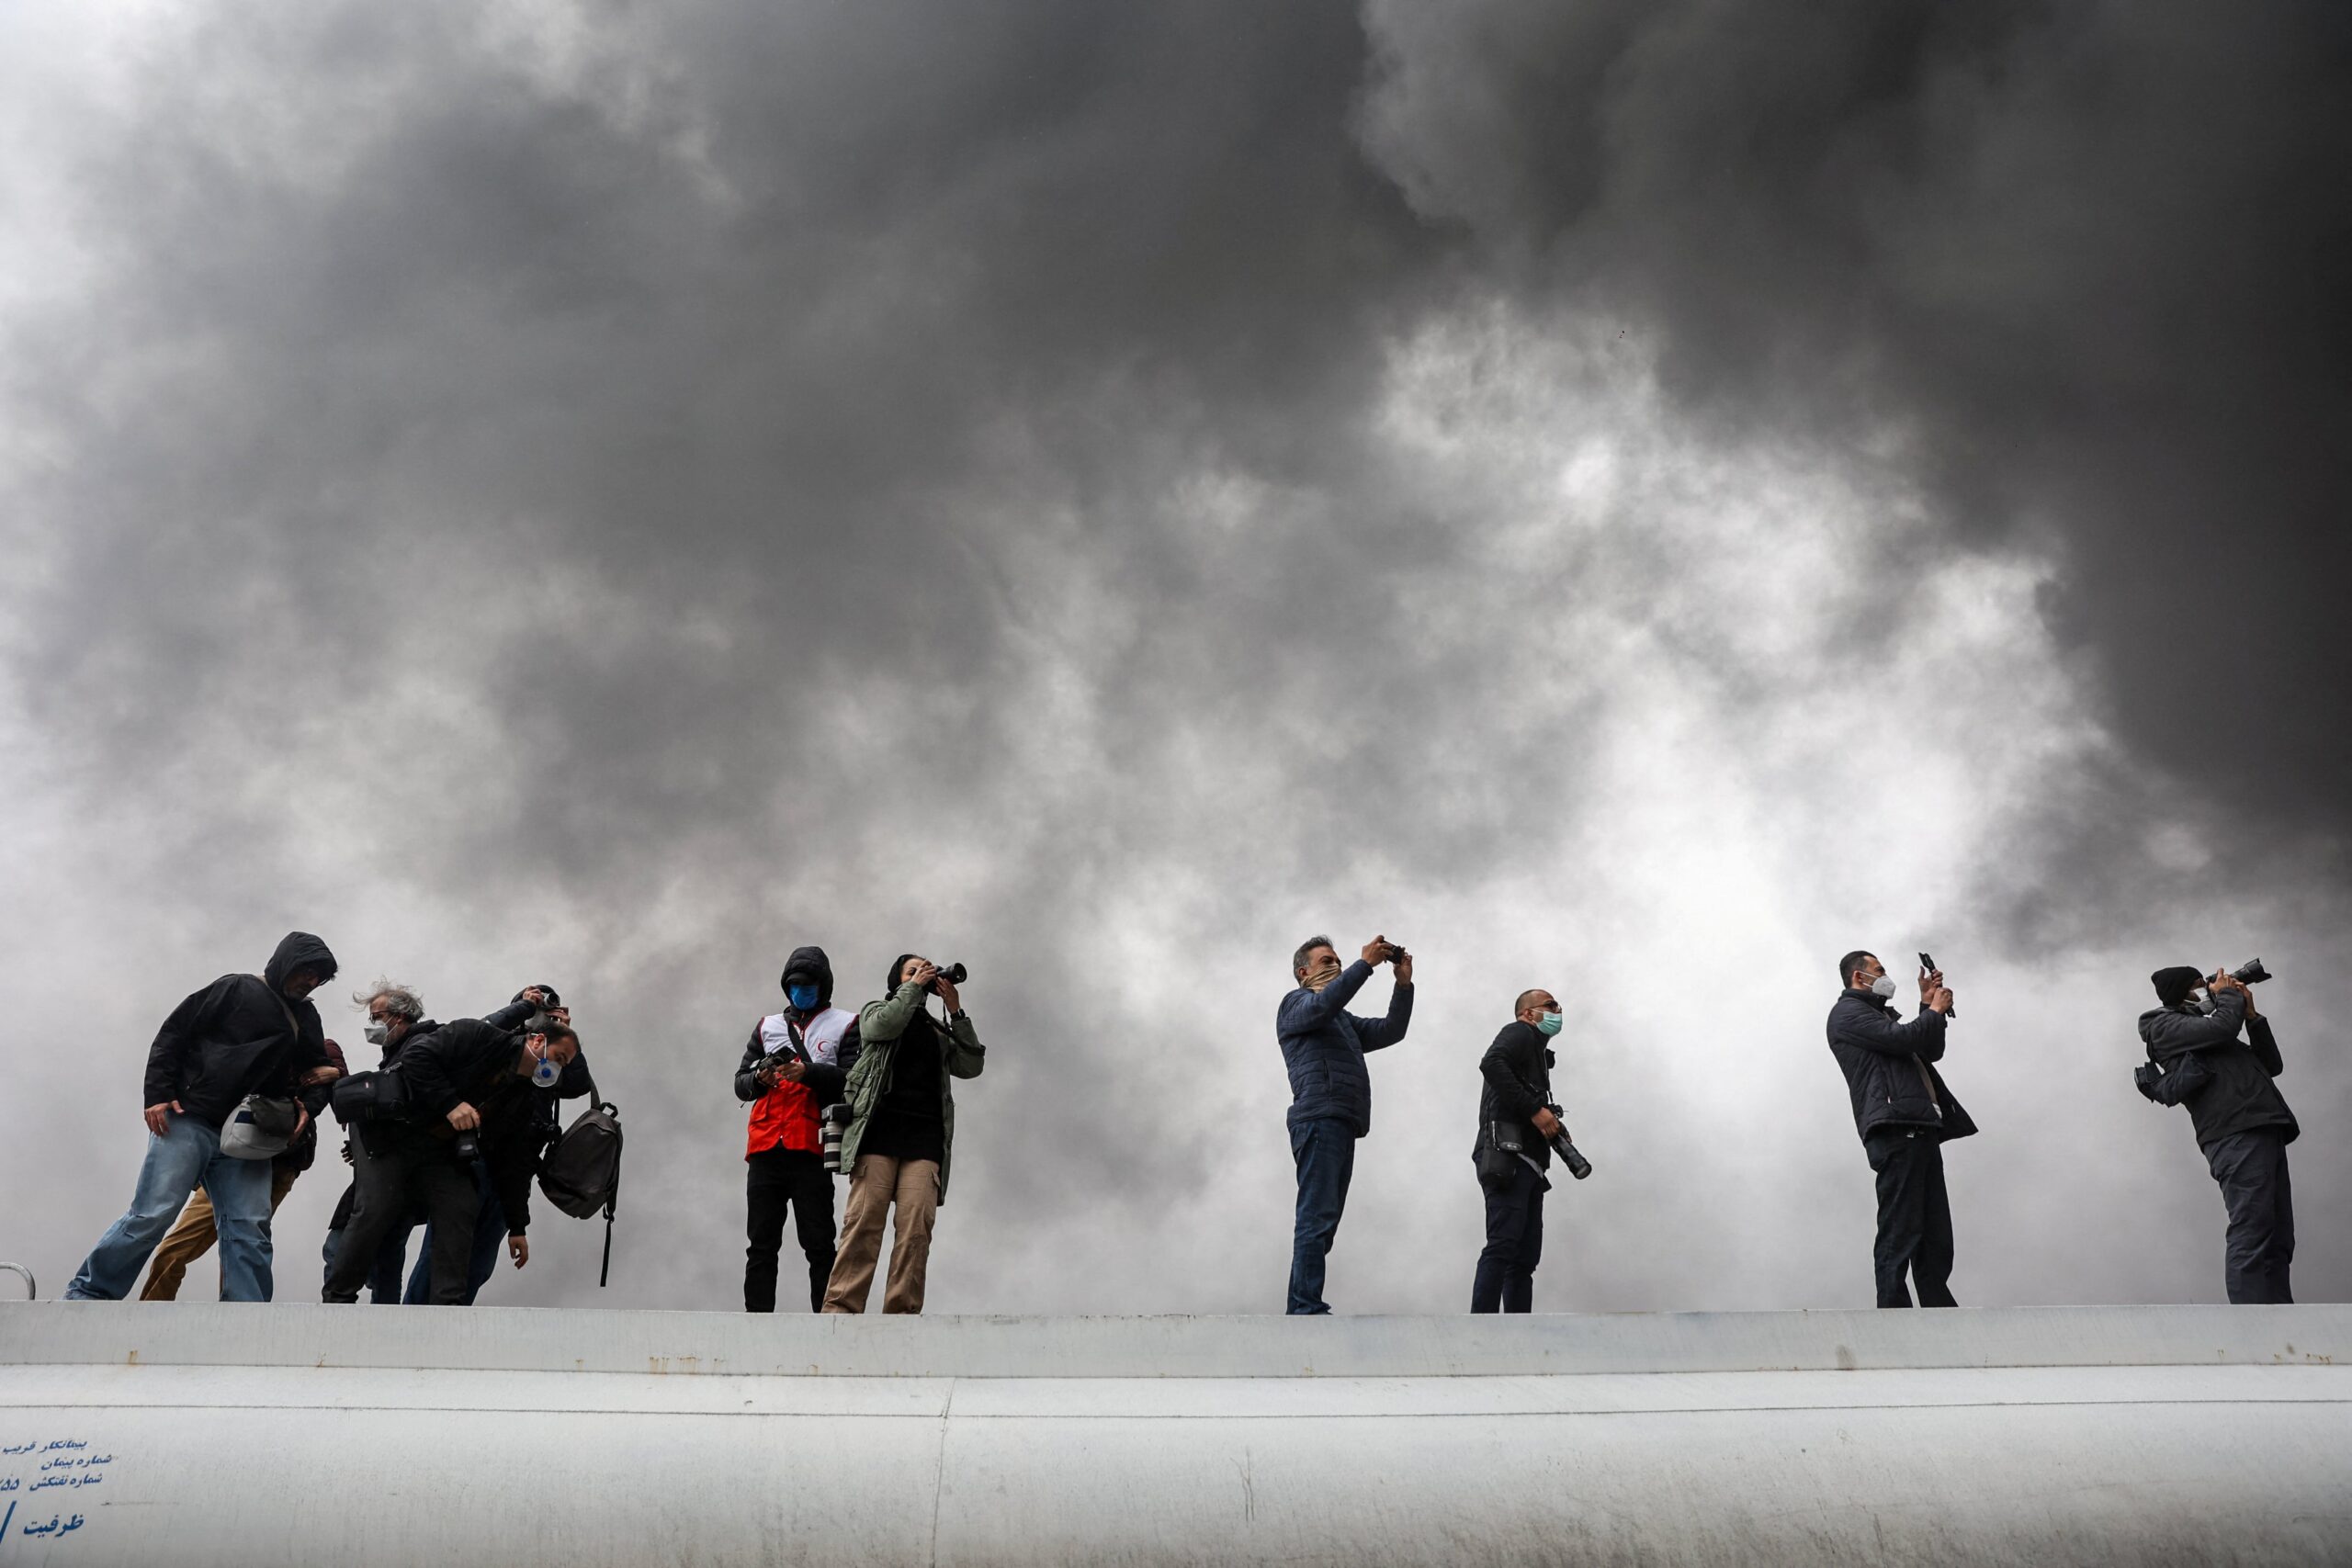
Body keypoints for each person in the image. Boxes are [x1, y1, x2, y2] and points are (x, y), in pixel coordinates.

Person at [66, 931, 343, 1303]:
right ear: (286, 962)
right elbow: (174, 1033)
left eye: (319, 977)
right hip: (189, 1120)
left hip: (250, 1134)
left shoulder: (306, 1015)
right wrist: (158, 1094)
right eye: (307, 971)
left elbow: (317, 1068)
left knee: (249, 1228)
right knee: (152, 1215)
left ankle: (246, 1317)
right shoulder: (235, 988)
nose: (311, 981)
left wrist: (310, 1105)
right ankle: (89, 1295)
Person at [322, 1015, 581, 1305]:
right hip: (389, 1133)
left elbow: (514, 1161)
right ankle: (338, 1300)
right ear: (537, 1040)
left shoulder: (523, 1097)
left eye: (563, 1065)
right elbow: (416, 1056)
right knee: (376, 1207)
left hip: (436, 1149)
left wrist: (517, 1226)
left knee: (459, 1208)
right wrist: (451, 1104)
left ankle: (447, 1309)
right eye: (558, 1057)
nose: (556, 1068)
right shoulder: (476, 1034)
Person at [821, 955, 986, 1314]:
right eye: (912, 970)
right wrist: (911, 989)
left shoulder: (936, 1028)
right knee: (864, 1223)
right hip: (878, 1135)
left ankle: (902, 1316)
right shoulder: (876, 1010)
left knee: (915, 1231)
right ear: (896, 980)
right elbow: (881, 1028)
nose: (922, 974)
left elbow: (971, 1066)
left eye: (926, 970)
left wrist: (956, 1012)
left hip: (924, 1141)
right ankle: (841, 1310)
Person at [140, 1037, 350, 1300]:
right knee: (176, 1248)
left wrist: (336, 1073)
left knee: (243, 1245)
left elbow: (343, 1091)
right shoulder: (248, 1041)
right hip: (232, 1158)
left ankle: (237, 1319)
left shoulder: (320, 1046)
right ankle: (151, 1312)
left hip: (278, 1162)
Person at [2140, 964, 2298, 1303]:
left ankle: (2282, 1321)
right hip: (2233, 1133)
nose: (2204, 990)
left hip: (2261, 1125)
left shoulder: (2206, 1031)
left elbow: (2272, 1065)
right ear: (2180, 990)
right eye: (2198, 985)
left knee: (2278, 1234)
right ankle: (2251, 1322)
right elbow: (2225, 1026)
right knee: (2252, 1227)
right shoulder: (2164, 1026)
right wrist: (2227, 997)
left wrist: (2252, 1016)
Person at [1275, 934, 1414, 1315]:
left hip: (1340, 1120)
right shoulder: (1296, 1004)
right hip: (1319, 1117)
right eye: (1326, 961)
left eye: (1338, 960)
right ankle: (1304, 1308)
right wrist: (1365, 965)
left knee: (1325, 1220)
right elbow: (1322, 1006)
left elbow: (1391, 1031)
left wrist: (1403, 985)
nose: (1335, 965)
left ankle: (1305, 1303)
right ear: (1303, 972)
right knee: (1315, 1217)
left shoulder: (1341, 1019)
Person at [1826, 951, 1970, 1308]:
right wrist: (1935, 1011)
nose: (1886, 976)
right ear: (1859, 977)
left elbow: (1929, 1049)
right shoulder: (1848, 1014)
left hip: (1919, 1128)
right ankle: (1892, 1313)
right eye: (1879, 970)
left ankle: (1939, 1310)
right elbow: (1903, 1040)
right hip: (1894, 1130)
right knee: (1900, 1226)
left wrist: (1926, 1006)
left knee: (1935, 1232)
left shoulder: (1879, 1016)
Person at [735, 946, 854, 1313]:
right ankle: (756, 1324)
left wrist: (810, 1072)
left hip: (812, 1147)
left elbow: (853, 1081)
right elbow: (740, 1083)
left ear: (824, 985)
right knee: (760, 1244)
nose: (801, 989)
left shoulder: (846, 1024)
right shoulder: (767, 1026)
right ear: (786, 988)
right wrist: (760, 1077)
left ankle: (827, 1322)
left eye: (808, 983)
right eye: (794, 984)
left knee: (819, 1243)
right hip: (766, 1147)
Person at [1471, 988, 1564, 1314]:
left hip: (1530, 1164)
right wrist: (1535, 1110)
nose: (1558, 1010)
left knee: (1523, 1259)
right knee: (1503, 1245)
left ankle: (1520, 1331)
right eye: (1550, 1005)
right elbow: (1492, 1063)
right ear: (1528, 1013)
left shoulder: (1537, 1055)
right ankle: (1480, 1328)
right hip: (1507, 1158)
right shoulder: (1519, 1032)